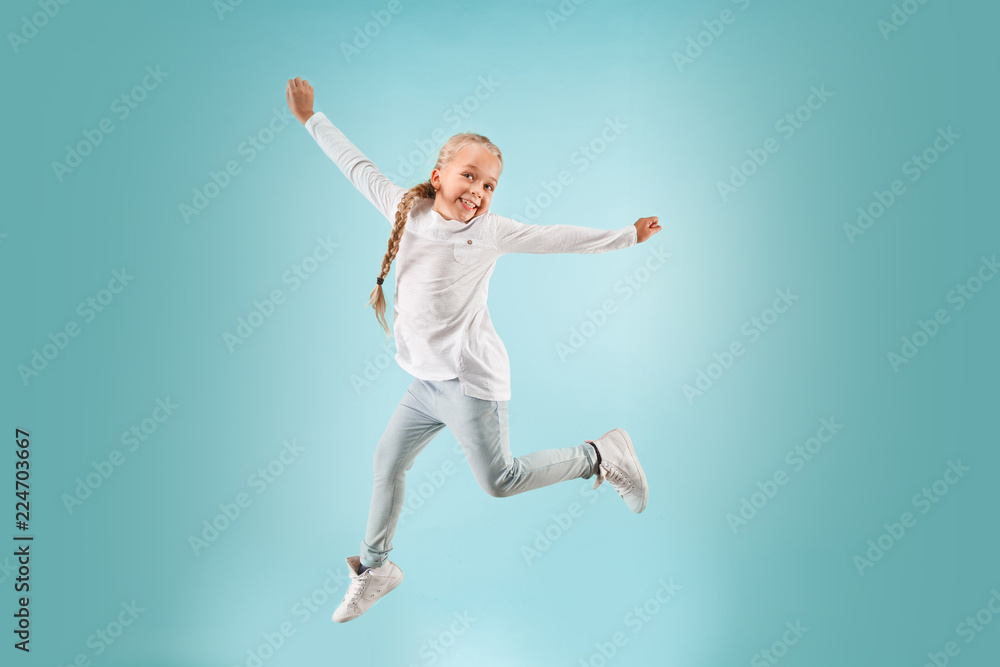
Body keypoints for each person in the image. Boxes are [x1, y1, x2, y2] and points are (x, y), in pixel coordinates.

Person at [285, 77, 662, 623]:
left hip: (469, 384)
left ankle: (602, 454)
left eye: (489, 185)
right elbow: (356, 166)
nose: (478, 192)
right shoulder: (403, 211)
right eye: (469, 176)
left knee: (499, 482)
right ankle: (376, 569)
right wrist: (310, 117)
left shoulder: (489, 232)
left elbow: (555, 236)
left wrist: (626, 235)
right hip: (424, 384)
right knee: (386, 464)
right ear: (438, 176)